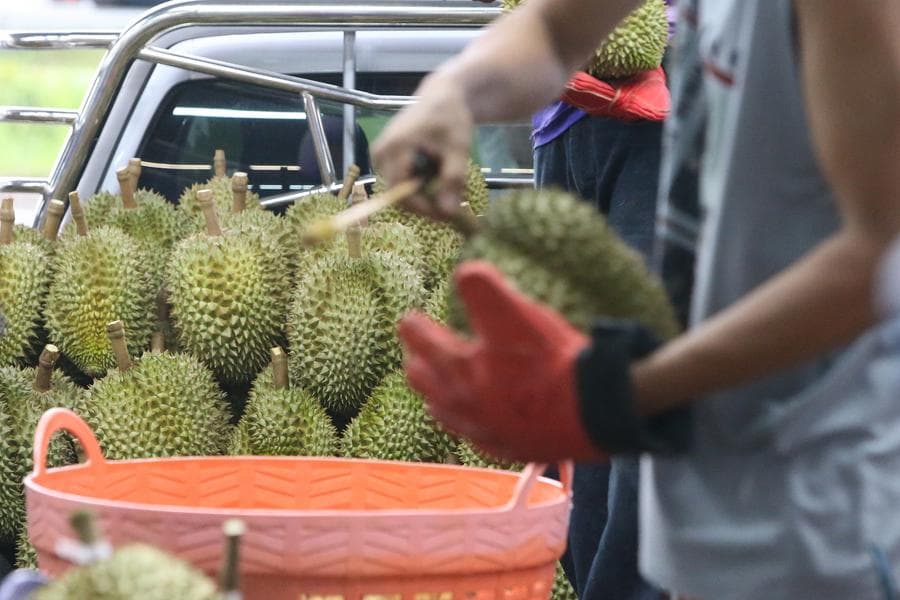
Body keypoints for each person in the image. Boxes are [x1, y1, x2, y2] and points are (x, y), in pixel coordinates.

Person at [373, 1, 900, 598]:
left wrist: (620, 393)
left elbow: (882, 252)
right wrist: (452, 90)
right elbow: (553, 30)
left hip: (829, 516)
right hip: (704, 506)